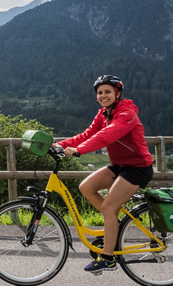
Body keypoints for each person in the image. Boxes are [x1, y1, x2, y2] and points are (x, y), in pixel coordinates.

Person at [55, 74, 154, 273]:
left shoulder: (127, 113)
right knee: (86, 187)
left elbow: (106, 135)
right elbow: (88, 133)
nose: (103, 95)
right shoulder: (103, 114)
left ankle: (108, 258)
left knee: (108, 206)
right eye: (99, 92)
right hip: (119, 165)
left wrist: (80, 150)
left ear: (117, 93)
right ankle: (113, 225)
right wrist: (60, 145)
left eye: (107, 91)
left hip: (138, 168)